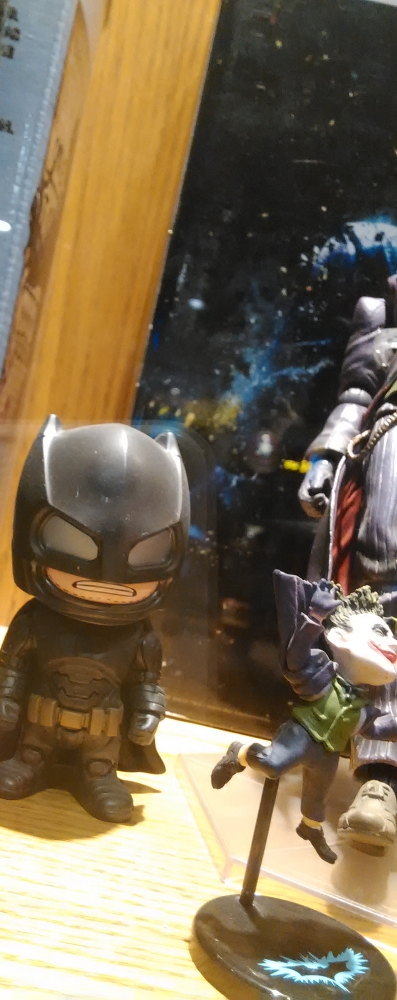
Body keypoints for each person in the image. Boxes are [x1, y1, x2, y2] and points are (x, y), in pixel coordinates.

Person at [0, 416, 190, 823]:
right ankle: (30, 761)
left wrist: (148, 715)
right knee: (33, 748)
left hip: (102, 730)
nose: (106, 578)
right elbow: (13, 667)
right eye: (71, 539)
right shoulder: (35, 622)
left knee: (99, 759)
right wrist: (5, 699)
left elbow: (145, 684)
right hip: (39, 722)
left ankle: (99, 775)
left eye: (147, 551)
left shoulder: (141, 638)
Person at [298, 279, 397, 852]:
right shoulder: (382, 316)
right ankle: (380, 778)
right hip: (389, 460)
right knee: (380, 591)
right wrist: (326, 457)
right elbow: (356, 396)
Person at [212, 571, 397, 864]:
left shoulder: (362, 705)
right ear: (339, 637)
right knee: (273, 764)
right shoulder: (322, 676)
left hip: (328, 754)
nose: (393, 643)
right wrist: (315, 618)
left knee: (316, 797)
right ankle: (240, 752)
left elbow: (376, 729)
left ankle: (310, 828)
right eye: (380, 632)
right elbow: (296, 658)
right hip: (301, 736)